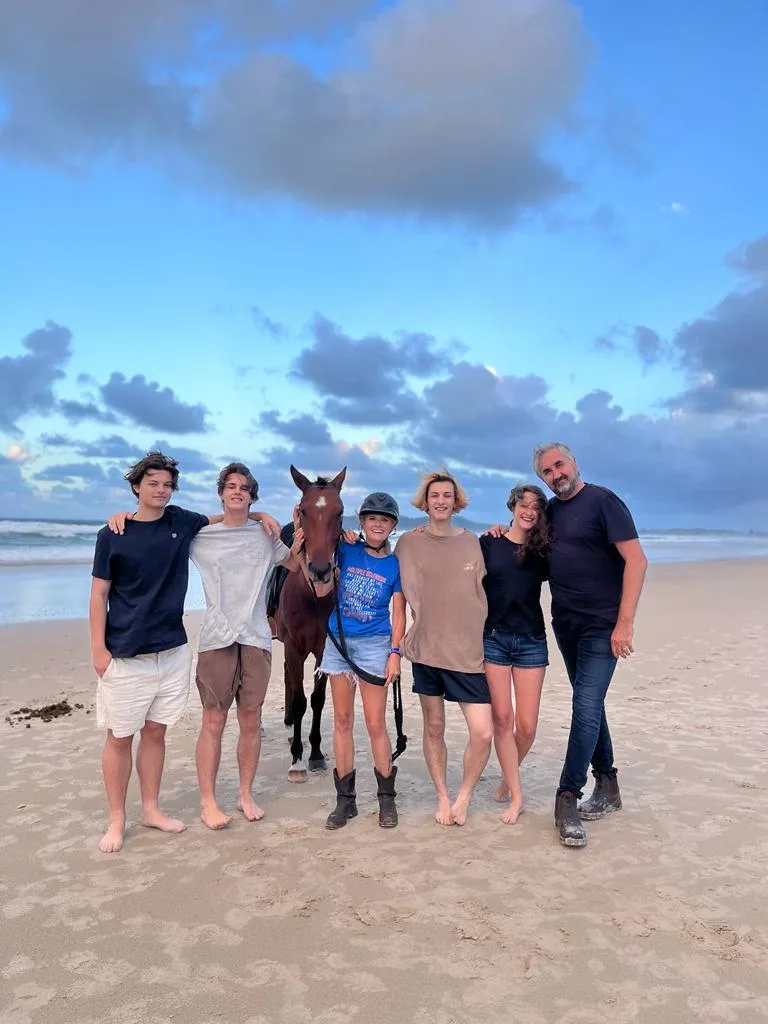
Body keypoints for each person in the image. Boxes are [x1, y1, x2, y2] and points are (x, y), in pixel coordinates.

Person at [95, 452, 279, 854]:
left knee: (180, 729)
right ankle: (141, 814)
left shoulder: (215, 528)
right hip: (171, 645)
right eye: (152, 483)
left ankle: (184, 805)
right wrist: (99, 649)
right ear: (137, 487)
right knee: (140, 733)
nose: (160, 490)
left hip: (211, 645)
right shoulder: (142, 533)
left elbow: (290, 555)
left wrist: (264, 517)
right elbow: (102, 589)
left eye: (166, 485)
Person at [533, 442, 647, 848]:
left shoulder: (603, 501)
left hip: (603, 625)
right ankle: (609, 784)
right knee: (590, 702)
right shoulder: (549, 512)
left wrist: (624, 624)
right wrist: (495, 532)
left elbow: (637, 560)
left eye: (559, 464)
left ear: (574, 462)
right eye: (546, 471)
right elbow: (530, 551)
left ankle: (567, 796)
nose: (555, 474)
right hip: (566, 624)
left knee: (583, 705)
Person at [189, 463, 302, 830]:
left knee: (250, 720)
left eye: (245, 489)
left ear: (253, 495)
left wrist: (298, 535)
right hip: (217, 639)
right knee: (214, 720)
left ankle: (245, 794)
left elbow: (296, 565)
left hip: (255, 638)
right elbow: (163, 527)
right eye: (231, 487)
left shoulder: (265, 536)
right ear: (221, 492)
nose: (237, 492)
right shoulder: (201, 536)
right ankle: (208, 801)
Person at [395, 470, 493, 827]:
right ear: (425, 500)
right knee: (433, 727)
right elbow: (389, 584)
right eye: (434, 495)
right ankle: (442, 795)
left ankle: (465, 794)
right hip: (425, 650)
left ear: (456, 501)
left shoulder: (473, 542)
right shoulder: (406, 543)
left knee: (483, 732)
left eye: (447, 495)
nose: (440, 500)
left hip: (468, 652)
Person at [321, 493, 406, 830]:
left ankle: (386, 799)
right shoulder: (347, 549)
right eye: (371, 518)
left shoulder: (394, 564)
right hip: (340, 643)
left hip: (374, 645)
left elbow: (398, 612)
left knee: (375, 724)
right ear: (362, 522)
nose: (377, 523)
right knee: (342, 721)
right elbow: (318, 542)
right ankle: (346, 801)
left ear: (392, 526)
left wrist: (395, 653)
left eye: (384, 520)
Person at [480, 484, 550, 825]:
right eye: (523, 504)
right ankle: (517, 795)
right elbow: (456, 565)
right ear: (512, 506)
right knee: (502, 721)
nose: (528, 511)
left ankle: (508, 777)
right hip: (492, 639)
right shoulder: (489, 542)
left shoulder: (542, 551)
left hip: (531, 640)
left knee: (527, 726)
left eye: (535, 507)